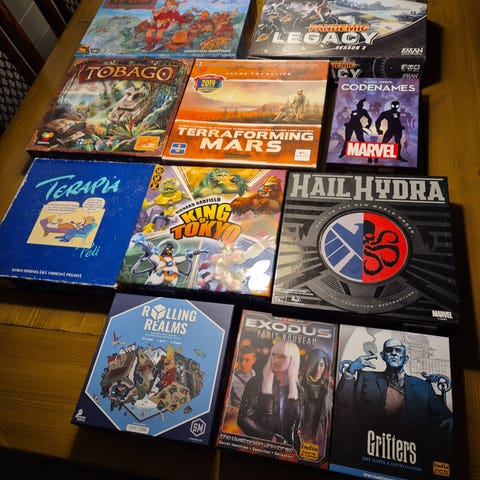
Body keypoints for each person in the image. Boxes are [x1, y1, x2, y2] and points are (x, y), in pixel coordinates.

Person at [333, 338, 453, 468]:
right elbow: (343, 402)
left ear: (406, 359)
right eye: (389, 350)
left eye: (398, 350)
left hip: (412, 457)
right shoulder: (366, 378)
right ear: (383, 356)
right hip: (369, 450)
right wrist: (350, 371)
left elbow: (445, 418)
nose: (394, 353)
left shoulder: (423, 386)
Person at [237, 341, 303, 447]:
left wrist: (297, 451)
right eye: (274, 355)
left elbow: (296, 428)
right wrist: (270, 437)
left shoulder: (298, 390)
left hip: (289, 450)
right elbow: (244, 418)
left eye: (282, 356)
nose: (275, 360)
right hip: (262, 447)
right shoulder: (256, 382)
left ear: (293, 360)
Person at [299, 347, 332, 455]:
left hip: (320, 440)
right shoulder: (299, 386)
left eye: (321, 364)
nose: (318, 369)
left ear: (325, 366)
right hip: (301, 439)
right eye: (315, 364)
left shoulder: (328, 388)